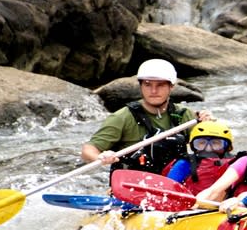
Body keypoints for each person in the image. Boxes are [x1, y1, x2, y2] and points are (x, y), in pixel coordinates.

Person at [80, 59, 211, 174]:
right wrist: (100, 158)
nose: (153, 91)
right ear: (141, 86)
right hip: (132, 185)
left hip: (174, 183)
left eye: (160, 85)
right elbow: (88, 150)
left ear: (171, 86)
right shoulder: (122, 117)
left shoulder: (184, 115)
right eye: (148, 85)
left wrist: (208, 127)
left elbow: (208, 149)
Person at [165, 120, 235, 195]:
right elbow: (167, 190)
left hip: (225, 205)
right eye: (201, 143)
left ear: (227, 147)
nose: (208, 148)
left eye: (216, 143)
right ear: (193, 146)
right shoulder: (185, 163)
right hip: (193, 204)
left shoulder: (236, 163)